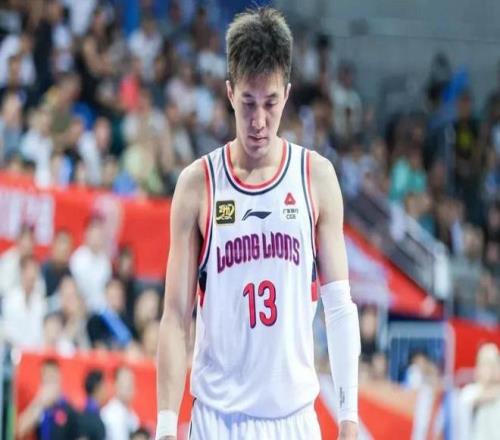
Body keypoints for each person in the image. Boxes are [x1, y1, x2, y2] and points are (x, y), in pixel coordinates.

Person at [156, 7, 360, 440]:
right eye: (248, 103)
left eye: (270, 103)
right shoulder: (197, 184)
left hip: (293, 419)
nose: (259, 121)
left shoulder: (315, 177)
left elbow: (339, 307)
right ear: (230, 92)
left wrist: (349, 415)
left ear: (287, 94)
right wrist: (165, 426)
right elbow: (175, 316)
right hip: (217, 419)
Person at [16, 358, 80, 439]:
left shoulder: (68, 408)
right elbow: (19, 431)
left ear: (59, 378)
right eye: (44, 378)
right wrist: (39, 403)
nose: (48, 384)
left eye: (51, 378)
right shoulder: (39, 407)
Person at [101, 366, 139, 440]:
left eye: (131, 381)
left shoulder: (133, 415)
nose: (129, 385)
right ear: (115, 384)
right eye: (125, 381)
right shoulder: (110, 413)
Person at [79, 369, 108, 440]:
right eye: (104, 386)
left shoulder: (83, 412)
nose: (106, 390)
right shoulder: (92, 418)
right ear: (97, 388)